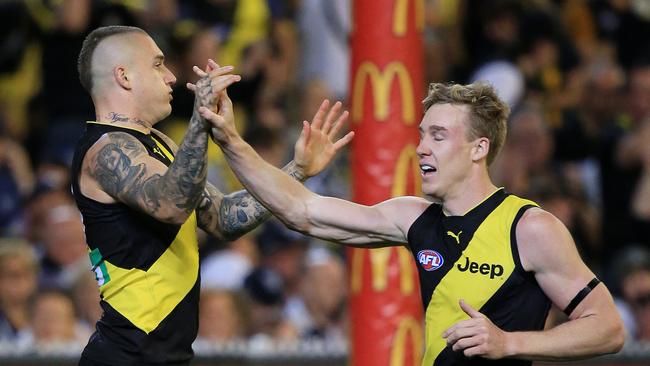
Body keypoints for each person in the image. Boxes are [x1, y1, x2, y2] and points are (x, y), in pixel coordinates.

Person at [201, 82, 625, 365]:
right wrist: (232, 141)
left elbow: (607, 328)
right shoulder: (413, 217)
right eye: (422, 134)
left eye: (437, 136)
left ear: (479, 148)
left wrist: (510, 342)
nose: (421, 147)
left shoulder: (530, 227)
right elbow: (302, 211)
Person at [71, 25, 349, 366]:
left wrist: (298, 169)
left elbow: (226, 218)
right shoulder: (104, 150)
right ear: (124, 76)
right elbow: (171, 205)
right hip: (125, 356)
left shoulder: (160, 145)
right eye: (158, 64)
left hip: (162, 356)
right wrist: (200, 122)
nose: (172, 77)